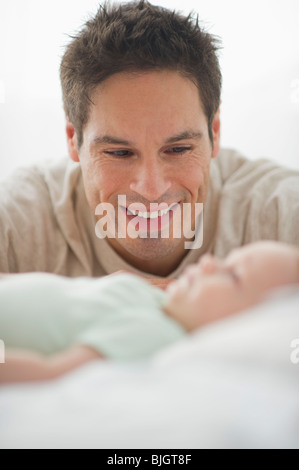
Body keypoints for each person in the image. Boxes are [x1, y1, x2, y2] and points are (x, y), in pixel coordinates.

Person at [0, 1, 299, 289]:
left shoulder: (277, 212)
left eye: (179, 149)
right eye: (119, 153)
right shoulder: (19, 221)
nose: (152, 189)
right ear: (72, 139)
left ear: (215, 132)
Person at [0, 240, 299, 384]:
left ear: (247, 328)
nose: (209, 262)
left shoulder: (155, 335)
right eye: (224, 258)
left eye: (232, 275)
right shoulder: (156, 302)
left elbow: (50, 372)